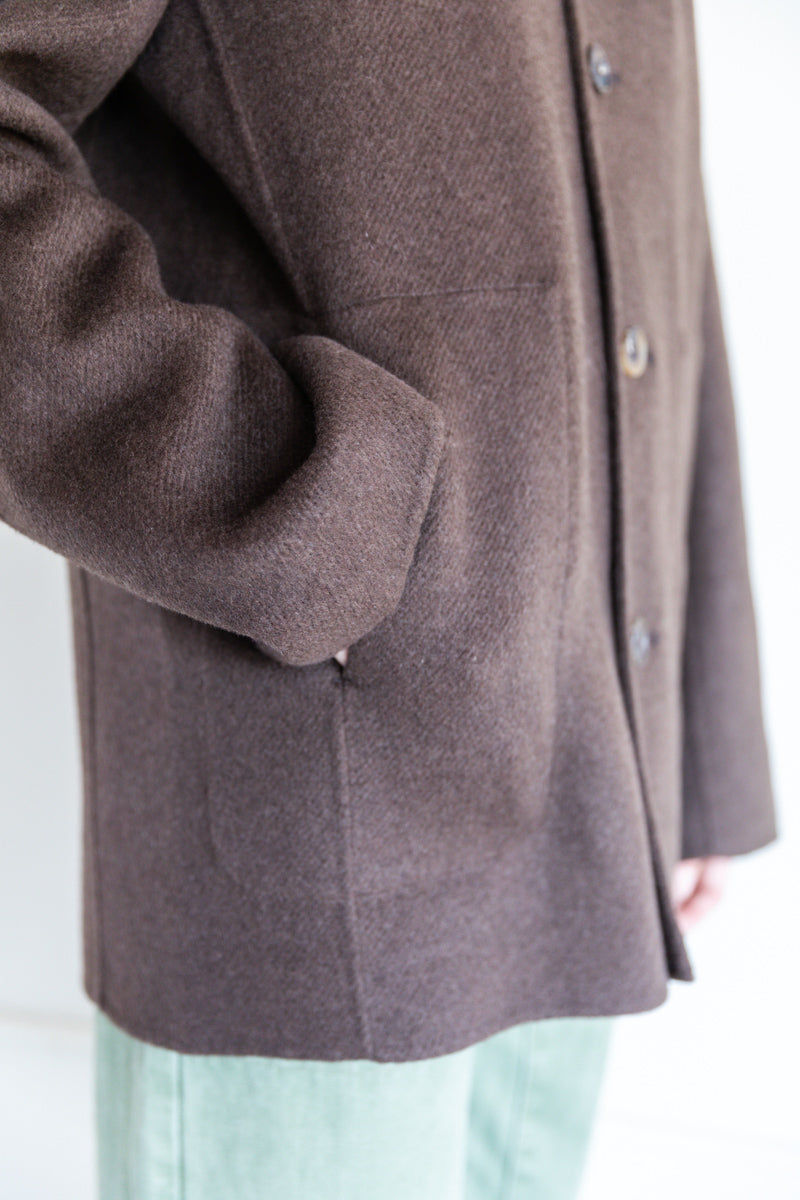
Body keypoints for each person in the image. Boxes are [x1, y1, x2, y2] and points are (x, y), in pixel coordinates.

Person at [0, 1, 777, 1197]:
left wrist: (697, 729)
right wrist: (303, 509)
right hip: (313, 823)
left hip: (589, 795)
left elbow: (648, 196)